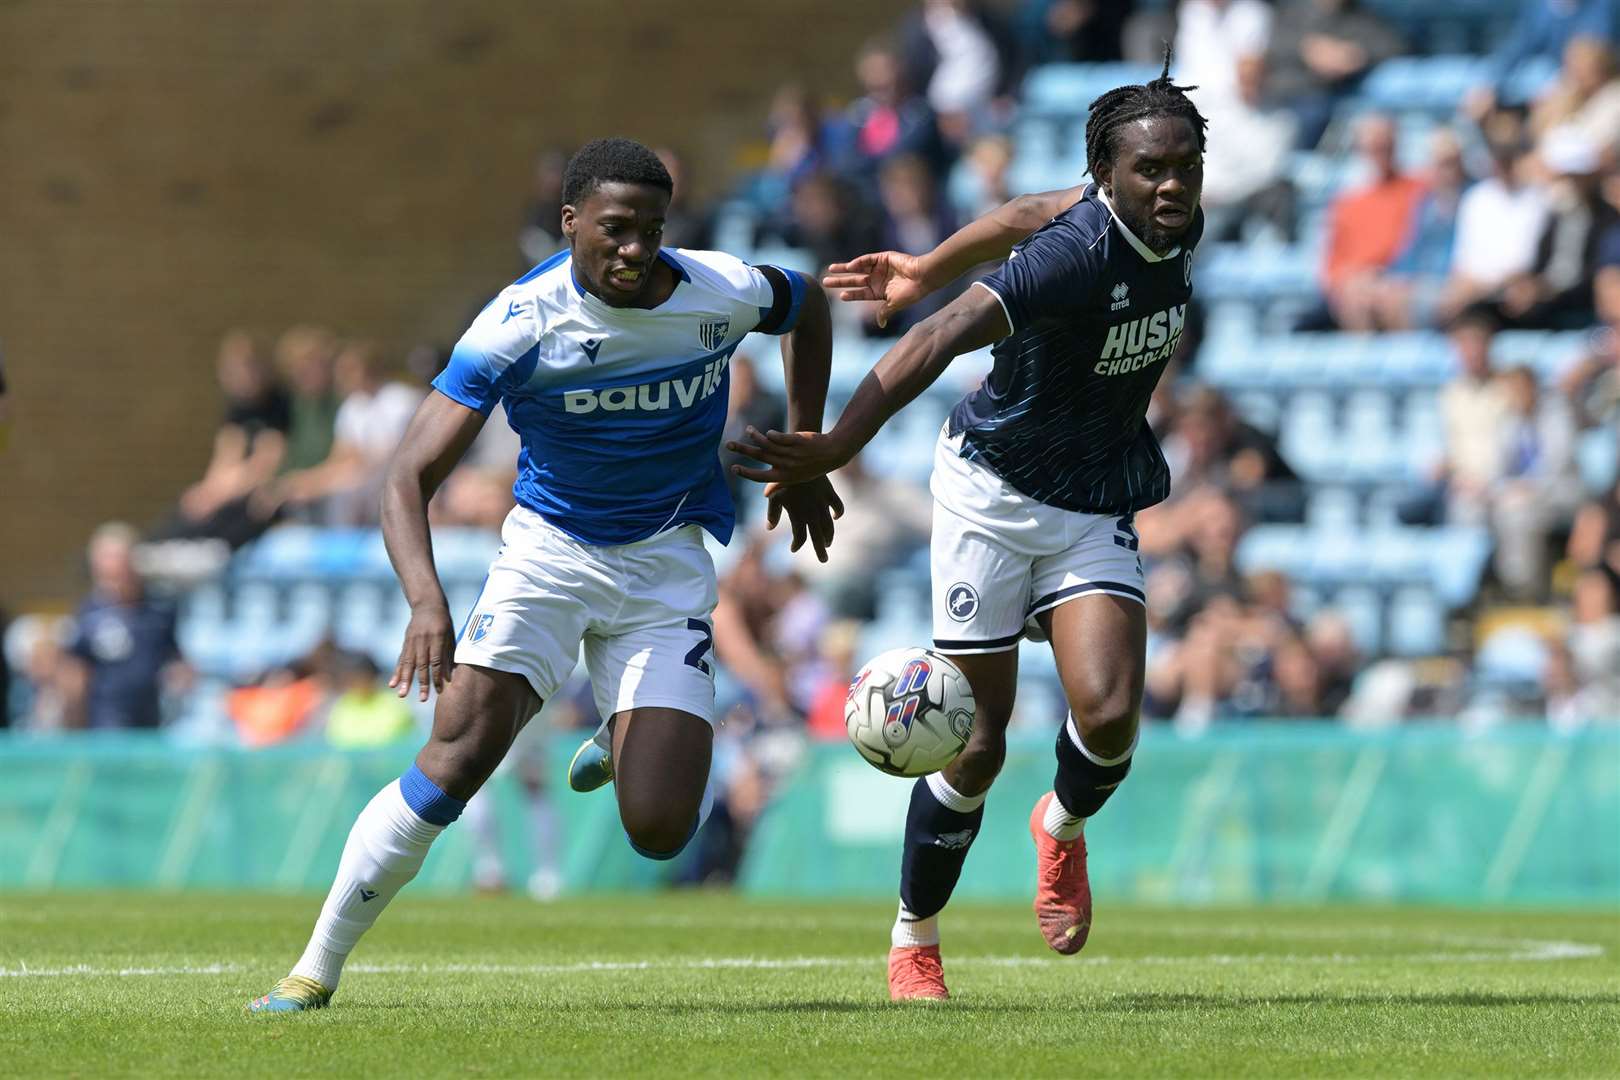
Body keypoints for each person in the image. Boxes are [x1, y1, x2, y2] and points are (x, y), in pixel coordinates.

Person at [248, 138, 840, 1013]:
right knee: (456, 757)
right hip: (549, 560)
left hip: (666, 564)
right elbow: (406, 474)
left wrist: (806, 448)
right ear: (570, 225)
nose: (635, 249)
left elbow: (811, 306)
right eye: (613, 230)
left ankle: (624, 719)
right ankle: (314, 968)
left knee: (661, 828)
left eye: (650, 229)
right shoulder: (520, 321)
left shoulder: (719, 290)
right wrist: (425, 600)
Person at [731, 57, 1207, 1000]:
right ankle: (915, 936)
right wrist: (834, 444)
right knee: (975, 743)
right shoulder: (1074, 257)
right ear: (1109, 177)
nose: (1172, 184)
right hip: (991, 496)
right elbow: (934, 338)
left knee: (1109, 719)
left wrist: (927, 257)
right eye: (1150, 170)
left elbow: (1030, 203)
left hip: (1090, 496)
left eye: (1184, 165)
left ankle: (1061, 828)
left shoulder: (1169, 222)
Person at [65, 523, 188, 730]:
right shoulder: (88, 613)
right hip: (106, 722)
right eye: (106, 559)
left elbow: (175, 658)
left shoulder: (159, 609)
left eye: (118, 558)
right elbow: (76, 673)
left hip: (154, 720)